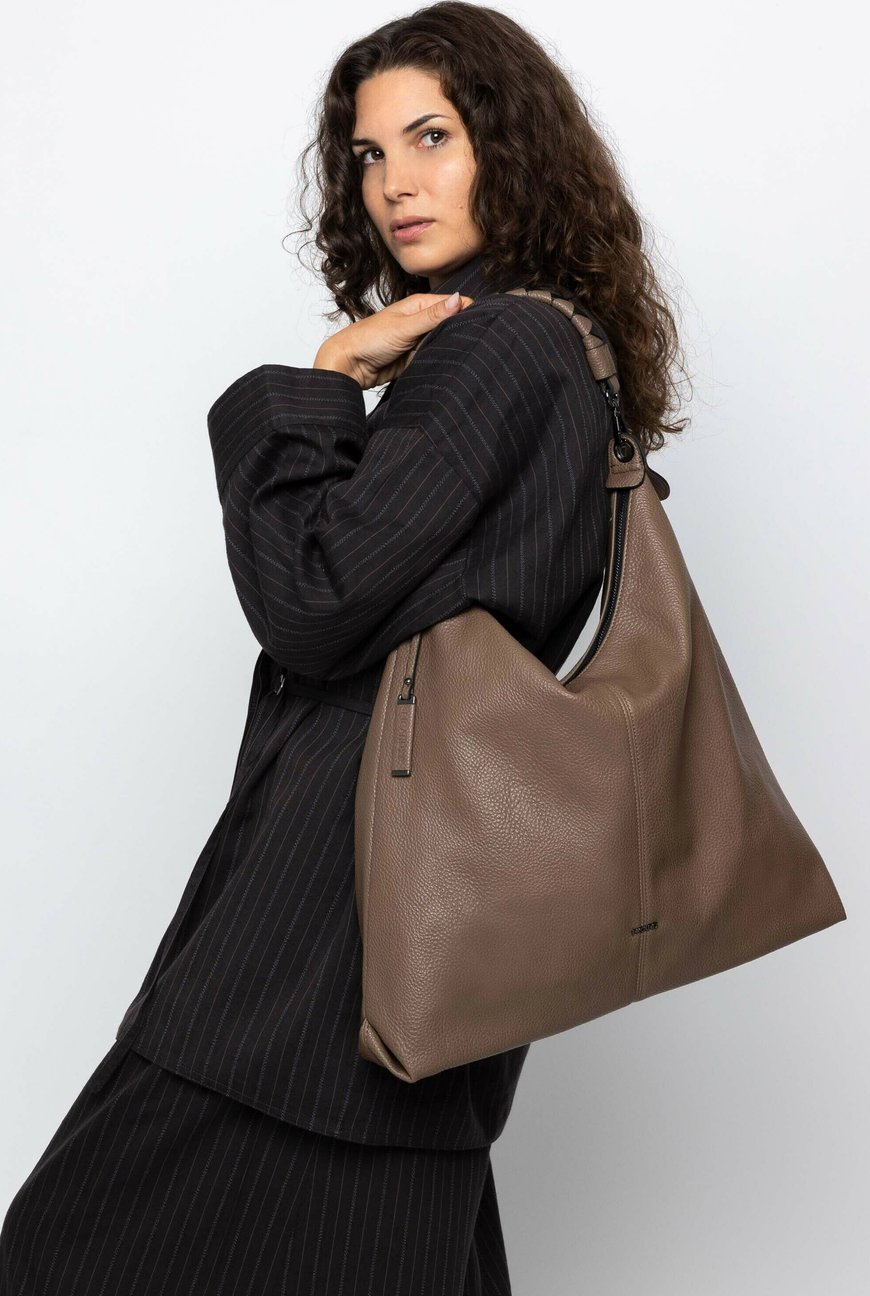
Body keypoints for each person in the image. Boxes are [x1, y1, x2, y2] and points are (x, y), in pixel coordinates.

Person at [0, 3, 690, 1291]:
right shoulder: (556, 347)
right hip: (427, 909)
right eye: (370, 154)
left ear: (513, 146)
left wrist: (316, 382)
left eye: (432, 137)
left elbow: (313, 598)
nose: (392, 184)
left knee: (67, 1250)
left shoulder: (499, 345)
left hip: (333, 915)